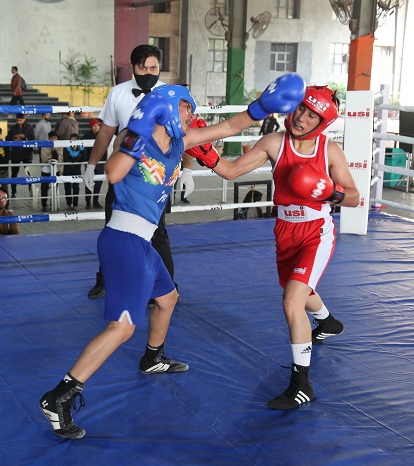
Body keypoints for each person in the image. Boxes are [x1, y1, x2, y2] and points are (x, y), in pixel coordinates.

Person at [39, 78, 305, 439]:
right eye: (186, 108)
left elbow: (228, 126)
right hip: (123, 239)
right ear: (167, 105)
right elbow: (114, 174)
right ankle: (59, 396)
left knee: (168, 298)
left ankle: (152, 357)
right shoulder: (137, 137)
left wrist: (263, 107)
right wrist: (138, 127)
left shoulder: (180, 141)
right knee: (122, 327)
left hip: (143, 242)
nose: (191, 115)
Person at [186, 84, 358, 410]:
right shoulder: (274, 143)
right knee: (301, 289)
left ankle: (301, 384)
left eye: (311, 115)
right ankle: (329, 322)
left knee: (292, 301)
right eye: (301, 109)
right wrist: (206, 153)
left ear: (322, 122)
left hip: (316, 232)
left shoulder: (329, 151)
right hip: (285, 230)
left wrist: (328, 191)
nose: (302, 118)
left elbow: (353, 197)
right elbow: (231, 171)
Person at [82, 44, 194, 300]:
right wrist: (91, 164)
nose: (148, 72)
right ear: (133, 68)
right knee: (113, 225)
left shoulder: (170, 95)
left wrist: (187, 169)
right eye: (142, 67)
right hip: (123, 170)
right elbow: (106, 132)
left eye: (153, 67)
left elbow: (186, 132)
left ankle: (167, 287)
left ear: (159, 68)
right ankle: (106, 280)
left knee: (158, 230)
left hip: (156, 173)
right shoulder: (118, 93)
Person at [6, 114, 34, 198]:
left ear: (24, 119)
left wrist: (24, 138)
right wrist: (13, 138)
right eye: (17, 120)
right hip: (16, 153)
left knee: (29, 174)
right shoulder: (13, 127)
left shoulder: (29, 127)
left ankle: (31, 191)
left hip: (26, 153)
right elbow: (8, 138)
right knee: (14, 173)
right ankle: (13, 192)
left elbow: (32, 138)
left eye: (20, 120)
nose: (19, 122)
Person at [82, 119, 105, 209]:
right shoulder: (86, 136)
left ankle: (96, 201)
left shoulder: (102, 135)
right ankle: (88, 201)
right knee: (88, 181)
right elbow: (84, 150)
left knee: (98, 182)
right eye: (94, 125)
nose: (96, 127)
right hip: (90, 163)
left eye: (97, 125)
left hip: (100, 163)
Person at [62, 133, 84, 211]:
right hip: (67, 170)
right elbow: (65, 159)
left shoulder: (81, 148)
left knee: (76, 187)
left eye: (75, 140)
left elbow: (83, 158)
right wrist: (76, 160)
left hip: (77, 170)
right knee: (67, 187)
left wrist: (76, 159)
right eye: (72, 140)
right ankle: (68, 203)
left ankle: (75, 204)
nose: (73, 142)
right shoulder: (66, 148)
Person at [39, 130, 59, 212]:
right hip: (45, 169)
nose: (53, 140)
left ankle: (53, 204)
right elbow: (43, 158)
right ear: (49, 138)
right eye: (51, 138)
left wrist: (54, 151)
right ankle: (44, 205)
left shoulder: (60, 145)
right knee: (44, 187)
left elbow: (59, 158)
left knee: (55, 187)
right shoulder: (44, 146)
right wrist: (50, 158)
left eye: (55, 138)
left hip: (56, 169)